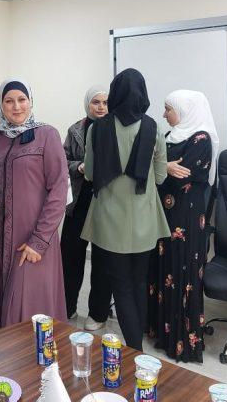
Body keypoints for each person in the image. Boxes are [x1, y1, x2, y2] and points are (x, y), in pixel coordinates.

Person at [82, 68, 169, 351]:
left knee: (120, 285)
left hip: (109, 220)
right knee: (139, 282)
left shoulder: (97, 128)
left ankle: (135, 350)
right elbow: (160, 177)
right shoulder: (153, 127)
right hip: (145, 219)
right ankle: (136, 347)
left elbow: (90, 174)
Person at [0, 79, 68, 327]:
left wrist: (39, 240)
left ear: (31, 101)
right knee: (0, 301)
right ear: (1, 105)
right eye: (9, 101)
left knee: (29, 309)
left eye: (22, 100)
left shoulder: (47, 135)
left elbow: (59, 189)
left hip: (33, 238)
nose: (16, 106)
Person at [150, 89, 219, 363]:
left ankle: (180, 342)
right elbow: (158, 173)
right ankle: (162, 333)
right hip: (164, 214)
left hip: (186, 218)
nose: (164, 114)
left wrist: (163, 168)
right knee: (164, 269)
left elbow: (180, 177)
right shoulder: (169, 135)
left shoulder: (201, 139)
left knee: (182, 272)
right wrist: (163, 168)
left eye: (168, 109)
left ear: (184, 110)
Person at [61, 85, 113, 330]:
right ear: (87, 104)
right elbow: (62, 160)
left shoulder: (116, 129)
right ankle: (67, 306)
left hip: (106, 204)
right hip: (79, 202)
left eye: (105, 102)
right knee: (70, 257)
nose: (101, 107)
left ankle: (98, 314)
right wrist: (79, 167)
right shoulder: (75, 130)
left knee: (102, 261)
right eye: (96, 102)